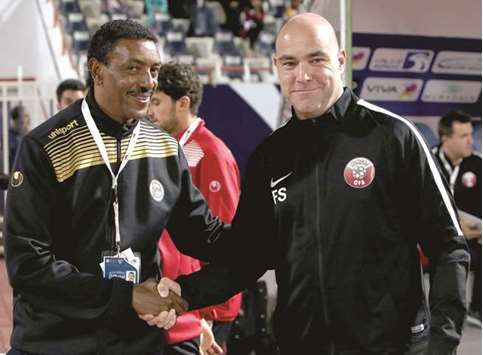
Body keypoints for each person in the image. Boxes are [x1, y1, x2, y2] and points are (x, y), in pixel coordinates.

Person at [154, 13, 470, 355]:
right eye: (289, 63)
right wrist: (186, 292)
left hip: (389, 347)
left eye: (315, 59)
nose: (302, 75)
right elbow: (248, 257)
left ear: (340, 60)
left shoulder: (394, 137)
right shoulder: (270, 156)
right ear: (276, 65)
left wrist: (441, 343)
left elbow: (448, 246)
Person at [4, 19, 228, 355]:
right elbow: (28, 265)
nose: (147, 82)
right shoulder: (45, 147)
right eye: (133, 68)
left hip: (137, 343)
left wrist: (270, 233)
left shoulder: (165, 149)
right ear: (97, 70)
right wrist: (127, 296)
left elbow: (202, 234)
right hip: (55, 343)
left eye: (153, 70)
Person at [148, 62, 241, 355]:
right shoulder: (176, 149)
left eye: (157, 102)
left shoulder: (209, 153)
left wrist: (204, 311)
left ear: (183, 103)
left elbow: (223, 234)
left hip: (207, 309)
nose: (149, 110)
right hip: (183, 302)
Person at [432, 110, 481, 326]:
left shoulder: (477, 164)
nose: (471, 140)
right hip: (433, 234)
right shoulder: (426, 161)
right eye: (464, 136)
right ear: (446, 138)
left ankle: (477, 309)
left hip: (472, 235)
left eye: (471, 134)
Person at [8, 105, 30, 169]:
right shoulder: (8, 137)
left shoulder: (28, 134)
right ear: (16, 120)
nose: (28, 119)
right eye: (25, 116)